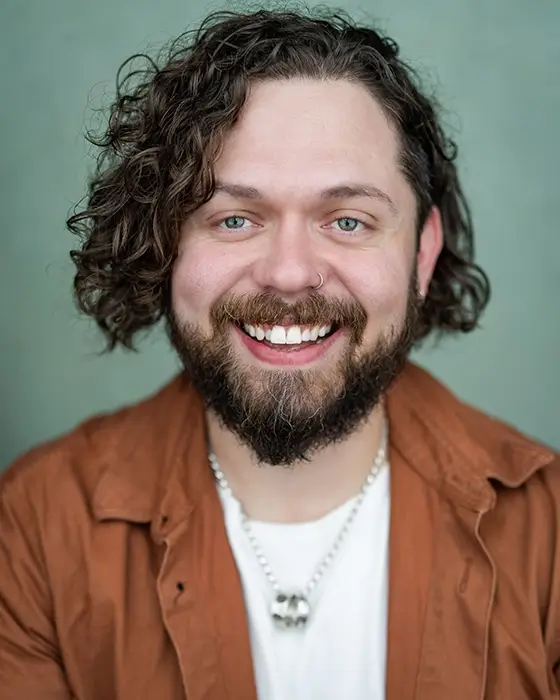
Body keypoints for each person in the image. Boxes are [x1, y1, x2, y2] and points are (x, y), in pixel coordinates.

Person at [1, 7, 558, 700]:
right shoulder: (31, 530)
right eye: (235, 219)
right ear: (165, 245)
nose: (290, 273)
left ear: (422, 252)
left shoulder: (551, 537)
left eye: (348, 220)